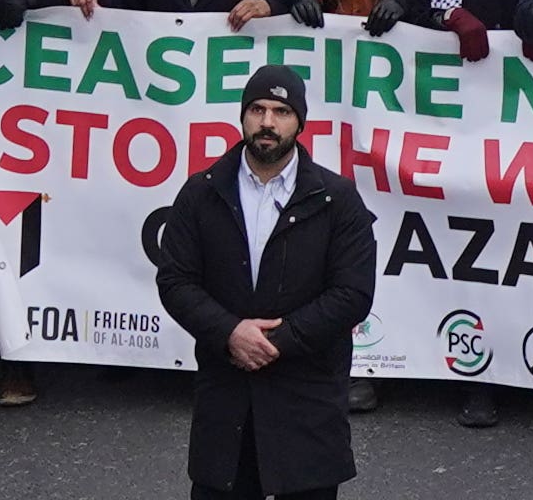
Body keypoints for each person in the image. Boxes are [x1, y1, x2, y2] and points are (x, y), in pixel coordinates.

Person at [144, 59, 374, 500]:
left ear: (300, 123)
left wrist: (274, 342)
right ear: (243, 115)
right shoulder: (202, 191)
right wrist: (230, 332)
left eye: (282, 112)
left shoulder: (338, 199)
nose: (267, 122)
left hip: (308, 395)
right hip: (226, 393)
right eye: (258, 109)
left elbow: (352, 293)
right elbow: (175, 279)